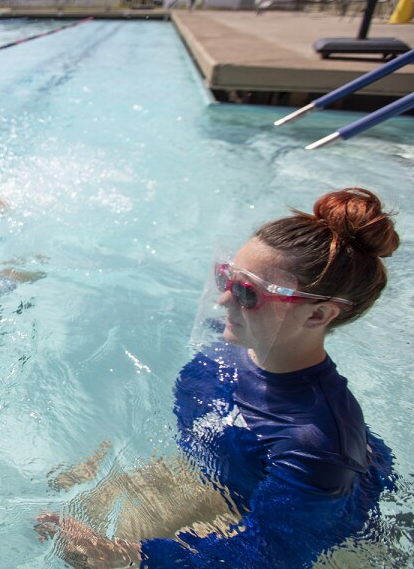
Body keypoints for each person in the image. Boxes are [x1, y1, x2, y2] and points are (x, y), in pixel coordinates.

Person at [36, 187, 401, 568]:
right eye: (225, 276)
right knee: (65, 504)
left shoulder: (316, 446)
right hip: (232, 478)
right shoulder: (234, 345)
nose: (223, 299)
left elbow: (271, 557)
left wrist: (124, 556)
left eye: (248, 293)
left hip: (326, 536)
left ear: (317, 315)